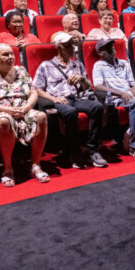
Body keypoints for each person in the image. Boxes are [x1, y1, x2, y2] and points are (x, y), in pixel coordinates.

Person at [33, 32, 108, 168]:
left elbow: (88, 87)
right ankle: (74, 151)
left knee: (97, 107)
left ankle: (93, 149)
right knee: (70, 112)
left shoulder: (77, 65)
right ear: (59, 47)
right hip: (57, 100)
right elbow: (37, 89)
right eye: (68, 45)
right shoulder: (46, 65)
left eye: (72, 45)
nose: (72, 48)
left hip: (77, 98)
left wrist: (82, 79)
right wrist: (54, 98)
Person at [0, 44, 49, 186]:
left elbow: (33, 92)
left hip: (23, 109)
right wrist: (6, 110)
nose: (10, 57)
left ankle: (35, 165)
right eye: (5, 54)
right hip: (0, 111)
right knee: (4, 120)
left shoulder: (21, 70)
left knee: (41, 116)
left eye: (11, 54)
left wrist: (27, 106)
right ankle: (8, 168)